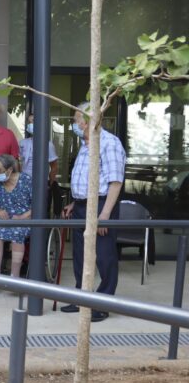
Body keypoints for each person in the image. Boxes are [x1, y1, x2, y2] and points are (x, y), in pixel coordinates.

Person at [60, 102, 126, 322]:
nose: (74, 124)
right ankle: (82, 298)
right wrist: (74, 202)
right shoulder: (85, 144)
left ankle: (103, 303)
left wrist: (105, 214)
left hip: (101, 205)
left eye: (77, 120)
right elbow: (85, 178)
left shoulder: (109, 143)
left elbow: (115, 182)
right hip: (82, 205)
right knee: (80, 253)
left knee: (104, 254)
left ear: (88, 121)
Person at [0, 154, 32, 278]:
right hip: (4, 222)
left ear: (9, 170)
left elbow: (37, 205)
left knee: (16, 232)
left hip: (25, 220)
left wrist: (21, 217)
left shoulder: (26, 180)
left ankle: (15, 276)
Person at [20, 113, 62, 217]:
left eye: (33, 121)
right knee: (24, 211)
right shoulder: (22, 143)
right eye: (29, 122)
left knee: (40, 212)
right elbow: (18, 162)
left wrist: (49, 184)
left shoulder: (48, 144)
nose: (31, 124)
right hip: (24, 184)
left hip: (41, 184)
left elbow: (54, 166)